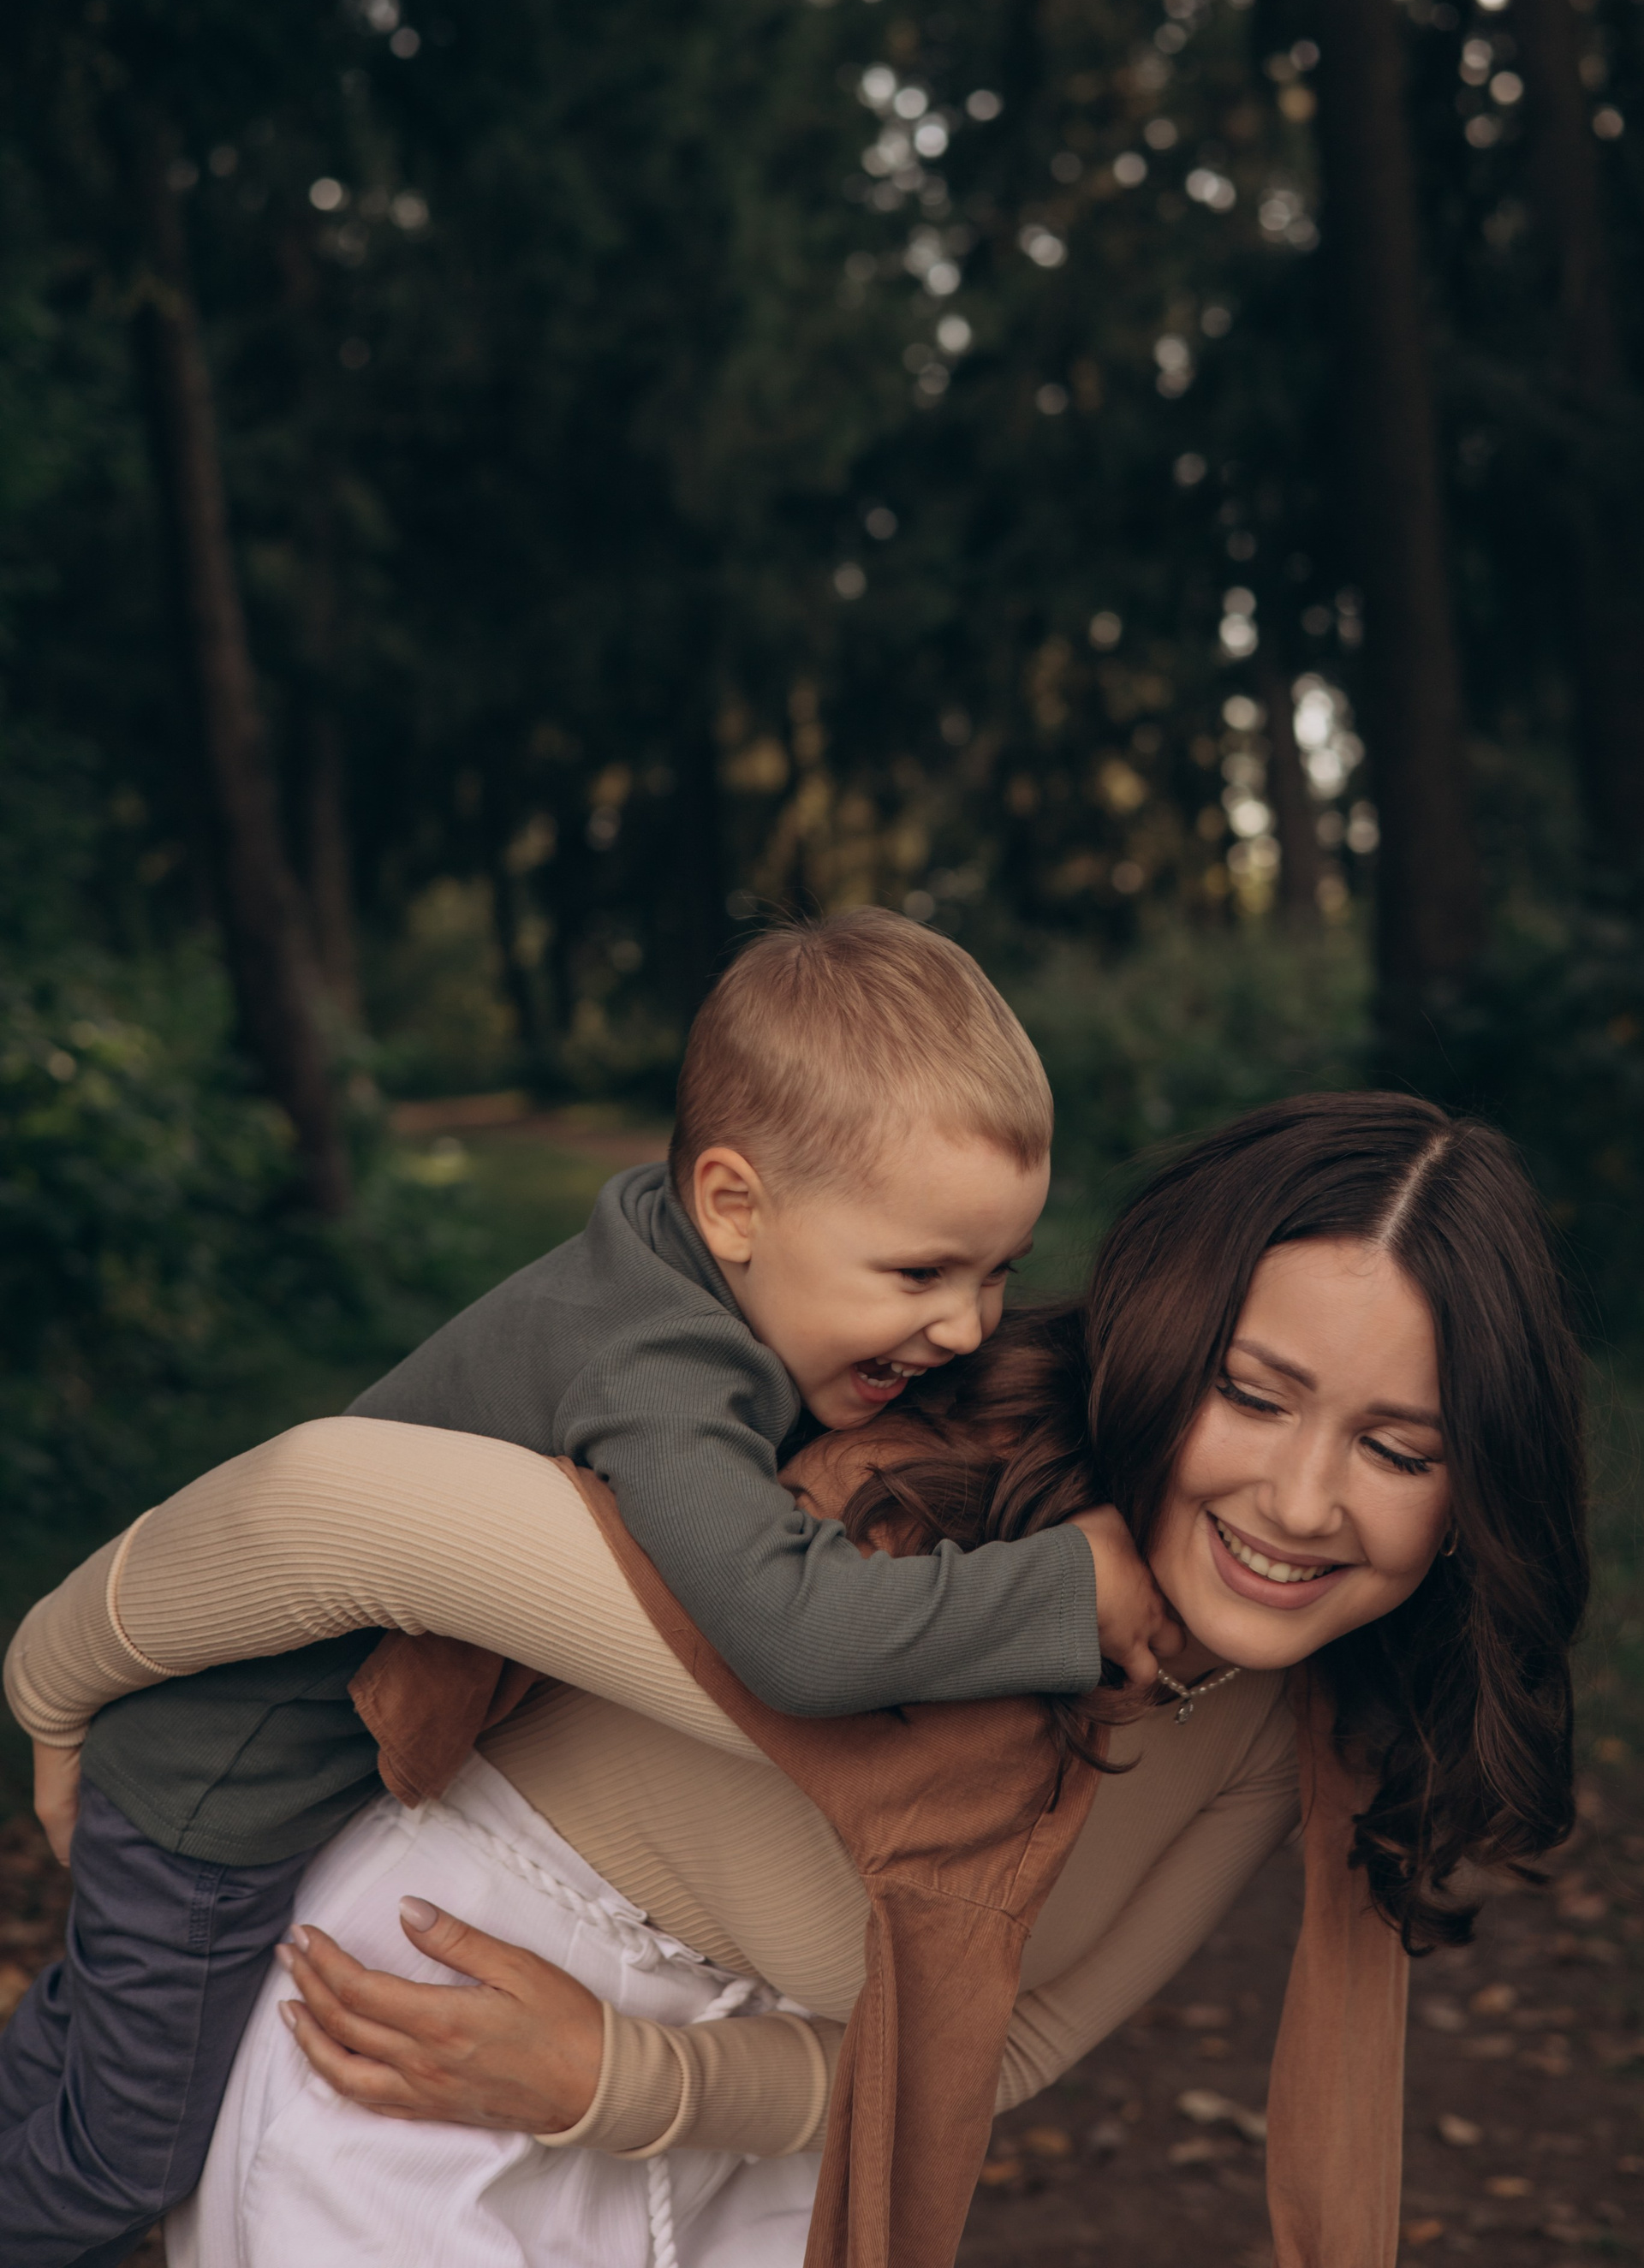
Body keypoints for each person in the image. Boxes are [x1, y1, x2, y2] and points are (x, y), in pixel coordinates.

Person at [8, 1093, 1587, 2268]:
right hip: (423, 2033)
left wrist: (624, 2079)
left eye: (1397, 1451)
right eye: (1254, 1394)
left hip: (738, 2151)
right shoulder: (896, 1527)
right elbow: (332, 1505)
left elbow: (1000, 2050)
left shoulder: (1285, 1724)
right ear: (1169, 1347)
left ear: (1473, 1500)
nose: (1302, 1504)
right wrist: (52, 1691)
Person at [0, 910, 1177, 2268]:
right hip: (218, 1802)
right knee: (125, 2153)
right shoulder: (659, 1367)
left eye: (998, 1273)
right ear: (734, 1206)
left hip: (226, 1767)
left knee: (65, 2065)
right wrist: (1063, 1591)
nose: (967, 1325)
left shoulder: (679, 1266)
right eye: (920, 1273)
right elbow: (795, 1632)